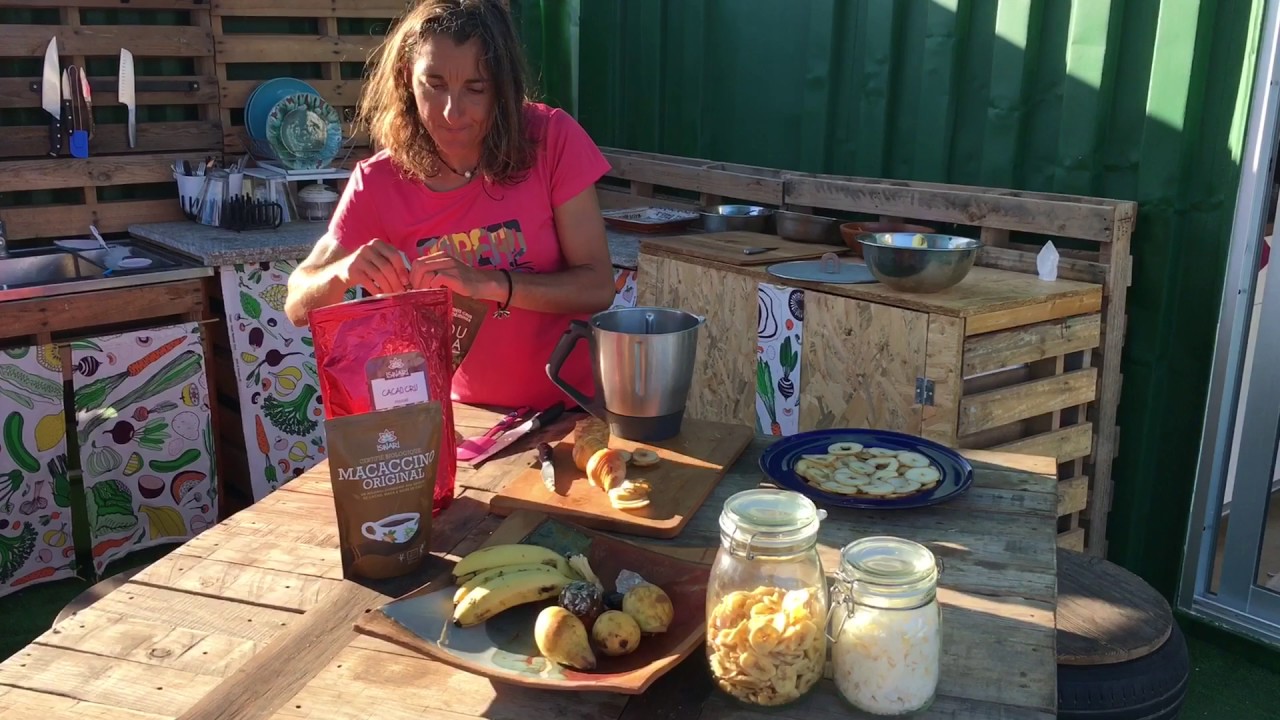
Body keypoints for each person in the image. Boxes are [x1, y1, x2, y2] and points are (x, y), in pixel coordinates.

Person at [284, 0, 616, 410]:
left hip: (572, 411)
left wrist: (489, 284)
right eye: (434, 84)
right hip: (462, 422)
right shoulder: (378, 180)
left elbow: (599, 287)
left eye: (475, 89)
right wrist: (343, 270)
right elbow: (297, 303)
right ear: (407, 78)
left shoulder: (552, 138)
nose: (452, 112)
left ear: (504, 87)